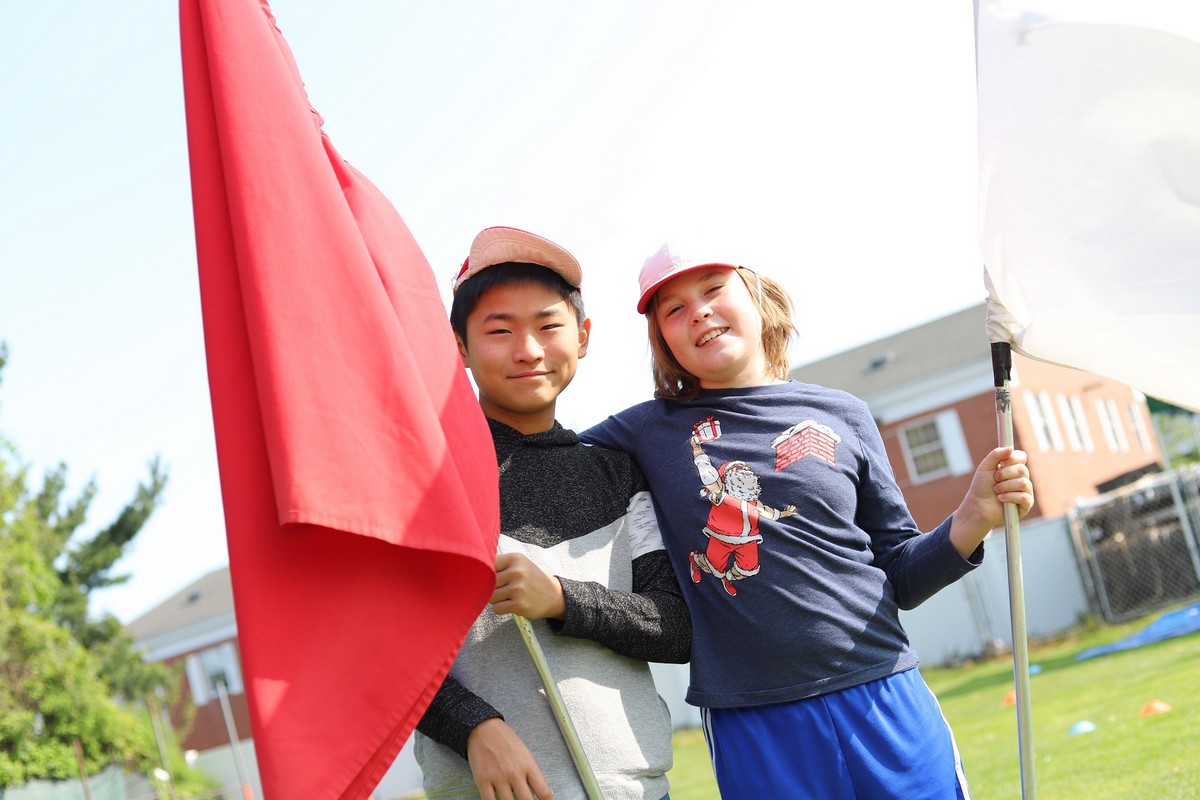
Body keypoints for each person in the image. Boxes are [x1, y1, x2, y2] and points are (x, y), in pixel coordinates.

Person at [581, 242, 1036, 799]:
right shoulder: (641, 433)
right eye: (672, 308)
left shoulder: (843, 413)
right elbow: (538, 466)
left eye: (713, 289)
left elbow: (901, 574)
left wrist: (974, 515)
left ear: (757, 298)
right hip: (753, 722)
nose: (697, 310)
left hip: (882, 695)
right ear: (663, 341)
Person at [414, 227, 690, 800]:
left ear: (583, 336)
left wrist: (562, 598)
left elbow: (674, 627)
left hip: (636, 790)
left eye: (547, 325)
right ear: (458, 347)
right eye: (500, 330)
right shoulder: (426, 480)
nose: (529, 350)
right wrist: (474, 727)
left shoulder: (616, 471)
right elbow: (382, 646)